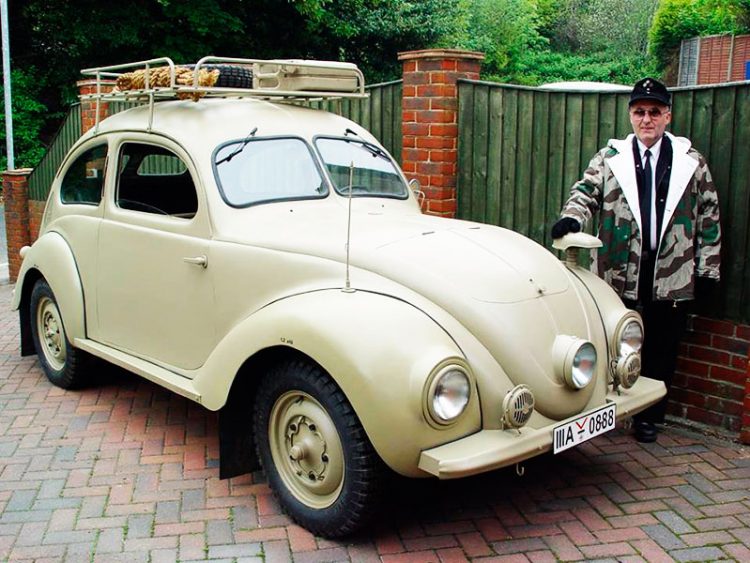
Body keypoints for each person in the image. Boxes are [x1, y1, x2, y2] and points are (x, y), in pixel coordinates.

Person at [550, 77, 721, 443]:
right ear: (631, 115)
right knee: (612, 339)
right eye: (640, 112)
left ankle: (649, 418)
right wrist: (572, 219)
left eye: (654, 112)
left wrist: (707, 268)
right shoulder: (610, 158)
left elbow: (709, 215)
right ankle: (609, 409)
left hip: (671, 272)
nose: (647, 119)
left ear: (667, 116)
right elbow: (585, 193)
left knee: (662, 346)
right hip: (619, 269)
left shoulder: (692, 163)